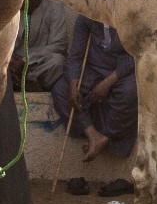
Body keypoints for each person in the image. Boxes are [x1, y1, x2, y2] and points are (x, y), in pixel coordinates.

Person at [53, 15, 137, 164]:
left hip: (123, 71)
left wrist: (107, 83)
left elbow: (136, 55)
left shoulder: (130, 15)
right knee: (61, 90)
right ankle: (92, 134)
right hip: (93, 69)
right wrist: (73, 84)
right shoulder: (85, 17)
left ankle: (106, 137)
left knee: (130, 93)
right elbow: (76, 55)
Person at [9, 0, 74, 92]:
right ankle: (20, 82)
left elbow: (58, 45)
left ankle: (26, 82)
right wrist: (12, 62)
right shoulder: (13, 12)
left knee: (57, 62)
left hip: (39, 63)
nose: (23, 0)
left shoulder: (54, 8)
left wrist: (26, 61)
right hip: (15, 64)